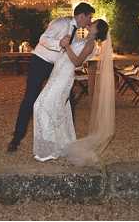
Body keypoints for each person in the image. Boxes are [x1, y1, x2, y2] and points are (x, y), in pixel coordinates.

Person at [7, 2, 95, 152]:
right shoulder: (61, 23)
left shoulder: (80, 31)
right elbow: (43, 39)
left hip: (57, 66)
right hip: (40, 62)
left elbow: (79, 49)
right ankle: (17, 138)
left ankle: (67, 139)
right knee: (30, 98)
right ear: (81, 16)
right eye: (89, 18)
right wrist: (59, 43)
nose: (90, 21)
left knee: (68, 98)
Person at [33, 19, 110, 163]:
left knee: (41, 105)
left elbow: (77, 62)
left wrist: (67, 46)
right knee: (56, 109)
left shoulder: (90, 44)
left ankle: (49, 148)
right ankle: (59, 145)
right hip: (57, 73)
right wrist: (64, 45)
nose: (90, 23)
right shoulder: (83, 39)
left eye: (93, 24)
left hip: (64, 77)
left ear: (97, 30)